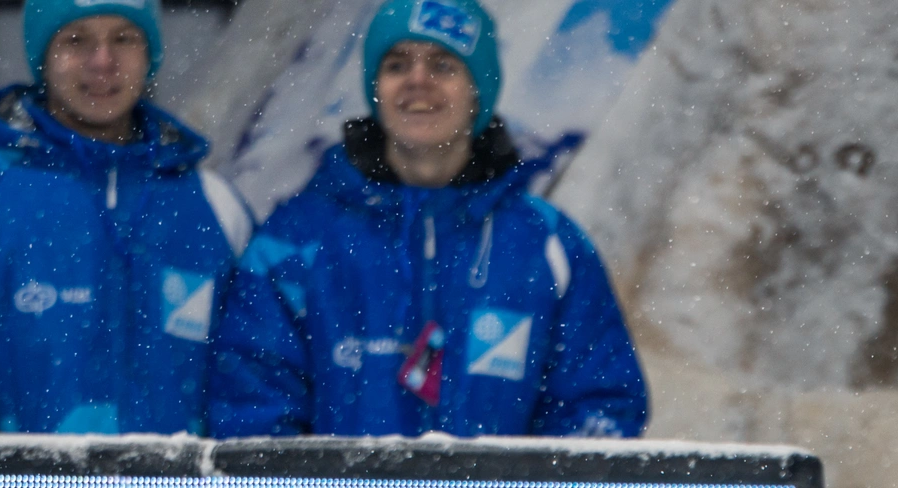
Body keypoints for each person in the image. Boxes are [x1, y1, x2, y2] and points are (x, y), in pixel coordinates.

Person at [208, 0, 648, 440]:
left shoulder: (547, 245)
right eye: (398, 65)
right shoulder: (295, 240)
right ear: (375, 87)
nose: (418, 81)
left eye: (443, 65)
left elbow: (600, 410)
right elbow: (252, 418)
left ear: (478, 90)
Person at [0, 0, 254, 434]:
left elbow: (259, 384)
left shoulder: (214, 207)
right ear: (43, 55)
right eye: (76, 40)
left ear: (149, 54)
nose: (102, 62)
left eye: (124, 38)